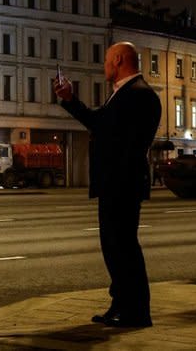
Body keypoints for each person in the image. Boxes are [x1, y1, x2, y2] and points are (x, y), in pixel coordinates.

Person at [54, 41, 160, 328]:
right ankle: (123, 305)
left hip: (121, 184)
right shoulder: (125, 94)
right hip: (117, 183)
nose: (104, 67)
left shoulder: (138, 95)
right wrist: (69, 100)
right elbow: (99, 122)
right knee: (115, 248)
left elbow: (111, 132)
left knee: (122, 248)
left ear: (119, 60)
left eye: (106, 61)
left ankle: (135, 312)